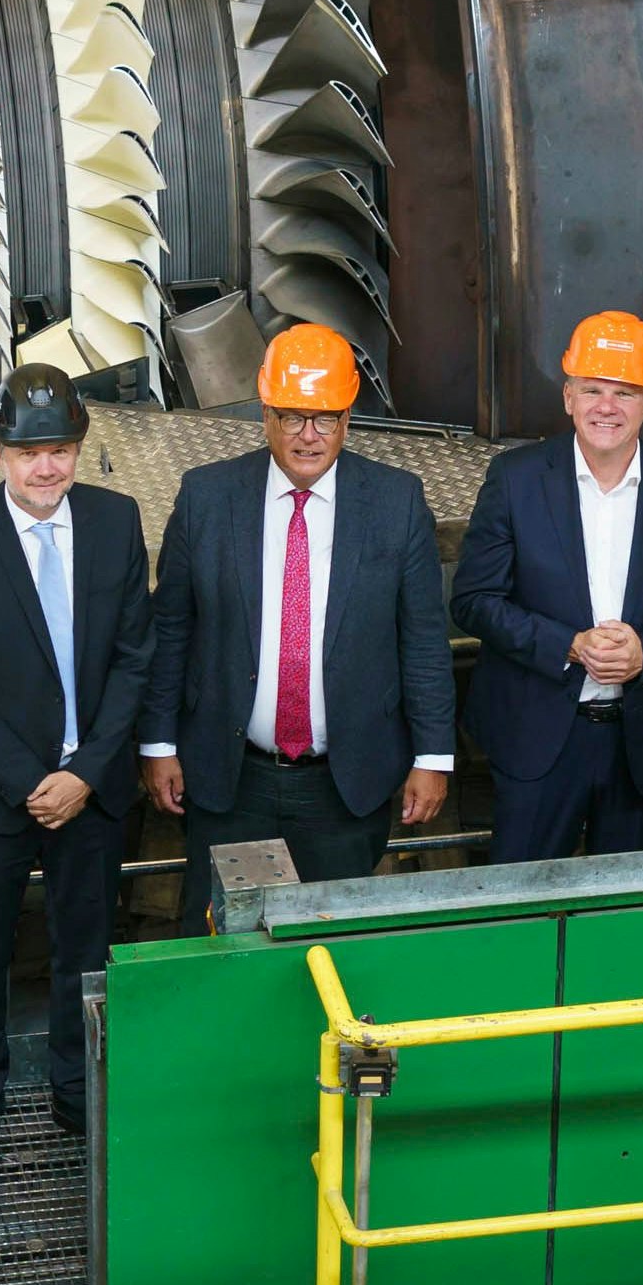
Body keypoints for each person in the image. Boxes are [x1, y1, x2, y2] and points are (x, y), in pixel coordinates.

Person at [0, 362, 148, 1204]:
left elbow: (132, 660)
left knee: (86, 954)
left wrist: (83, 773)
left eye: (60, 449)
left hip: (91, 789)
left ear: (80, 445)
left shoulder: (119, 524)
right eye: (28, 451)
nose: (45, 467)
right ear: (0, 450)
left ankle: (77, 1096)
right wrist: (29, 781)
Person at [142, 323, 455, 928]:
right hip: (230, 778)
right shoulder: (207, 497)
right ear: (265, 414)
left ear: (347, 420)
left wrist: (433, 756)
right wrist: (158, 743)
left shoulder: (396, 502)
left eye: (325, 418)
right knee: (220, 948)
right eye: (292, 417)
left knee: (332, 951)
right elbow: (171, 629)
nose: (308, 436)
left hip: (344, 784)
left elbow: (423, 641)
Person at [452, 312, 643, 861]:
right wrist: (568, 643)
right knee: (524, 910)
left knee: (620, 919)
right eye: (593, 390)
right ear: (568, 397)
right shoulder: (515, 480)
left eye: (625, 393)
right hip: (536, 740)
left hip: (637, 748)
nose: (607, 407)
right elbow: (472, 601)